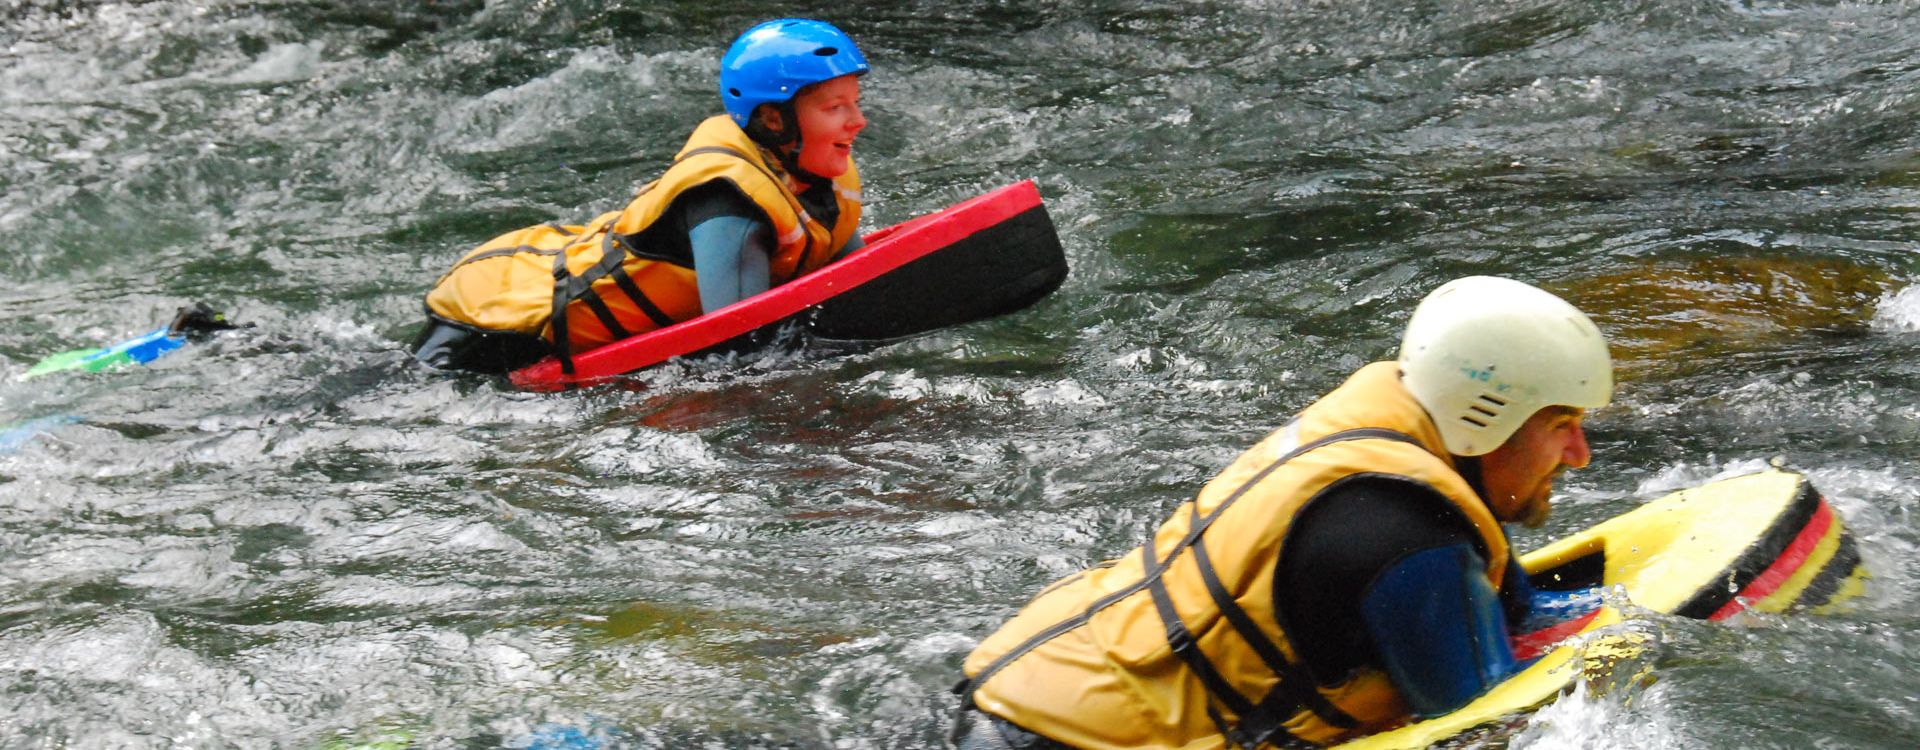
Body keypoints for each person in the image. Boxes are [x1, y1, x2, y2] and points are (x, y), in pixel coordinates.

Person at [953, 276, 1615, 749]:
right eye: (1562, 424)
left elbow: (1516, 613)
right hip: (1057, 738)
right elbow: (1486, 725)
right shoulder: (1409, 541)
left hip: (1025, 683)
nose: (1579, 454)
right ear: (1487, 419)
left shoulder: (1411, 457)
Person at [412, 18, 870, 374]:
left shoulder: (813, 174)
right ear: (774, 121)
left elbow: (849, 280)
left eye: (855, 101)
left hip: (529, 278)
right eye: (835, 108)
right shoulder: (729, 204)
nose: (857, 121)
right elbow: (740, 354)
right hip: (497, 327)